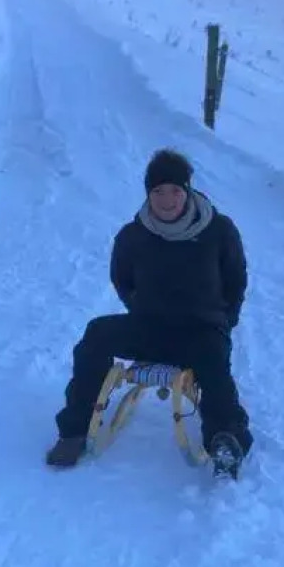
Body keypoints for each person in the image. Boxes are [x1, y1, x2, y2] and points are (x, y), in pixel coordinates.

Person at [45, 148, 253, 470]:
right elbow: (122, 279)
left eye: (175, 191)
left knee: (214, 365)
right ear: (148, 193)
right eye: (158, 191)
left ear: (187, 191)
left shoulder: (218, 231)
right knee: (97, 334)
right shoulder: (133, 236)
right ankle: (73, 432)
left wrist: (224, 320)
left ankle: (226, 438)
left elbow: (235, 279)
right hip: (150, 326)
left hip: (201, 329)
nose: (167, 199)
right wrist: (141, 308)